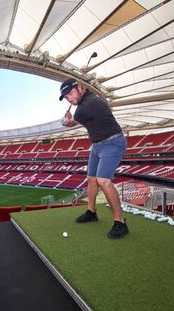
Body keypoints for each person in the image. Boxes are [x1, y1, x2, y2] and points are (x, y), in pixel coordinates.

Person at [59, 78, 128, 239]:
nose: (70, 98)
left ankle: (120, 223)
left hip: (113, 142)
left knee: (103, 180)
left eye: (70, 93)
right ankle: (91, 212)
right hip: (97, 145)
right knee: (91, 178)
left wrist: (66, 120)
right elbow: (76, 119)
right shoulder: (86, 102)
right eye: (66, 97)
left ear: (80, 87)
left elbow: (70, 123)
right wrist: (71, 117)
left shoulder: (87, 106)